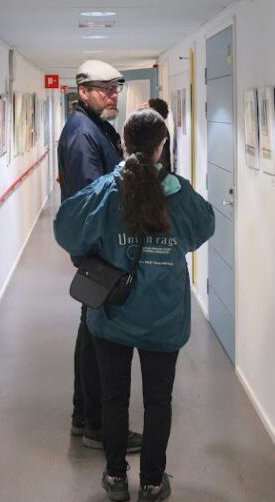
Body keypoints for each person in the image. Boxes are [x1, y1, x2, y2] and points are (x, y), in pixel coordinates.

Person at [55, 109, 216, 502]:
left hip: (113, 312)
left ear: (123, 144)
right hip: (163, 315)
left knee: (114, 397)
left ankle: (114, 477)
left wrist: (98, 249)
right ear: (161, 147)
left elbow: (66, 229)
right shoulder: (179, 194)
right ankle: (152, 482)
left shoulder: (104, 191)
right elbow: (204, 227)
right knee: (159, 400)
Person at [57, 60, 143, 455]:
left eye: (115, 89)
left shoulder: (95, 127)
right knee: (99, 340)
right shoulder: (82, 134)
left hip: (99, 248)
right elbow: (92, 196)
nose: (113, 96)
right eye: (105, 89)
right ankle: (97, 425)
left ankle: (84, 416)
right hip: (100, 252)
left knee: (90, 334)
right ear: (83, 91)